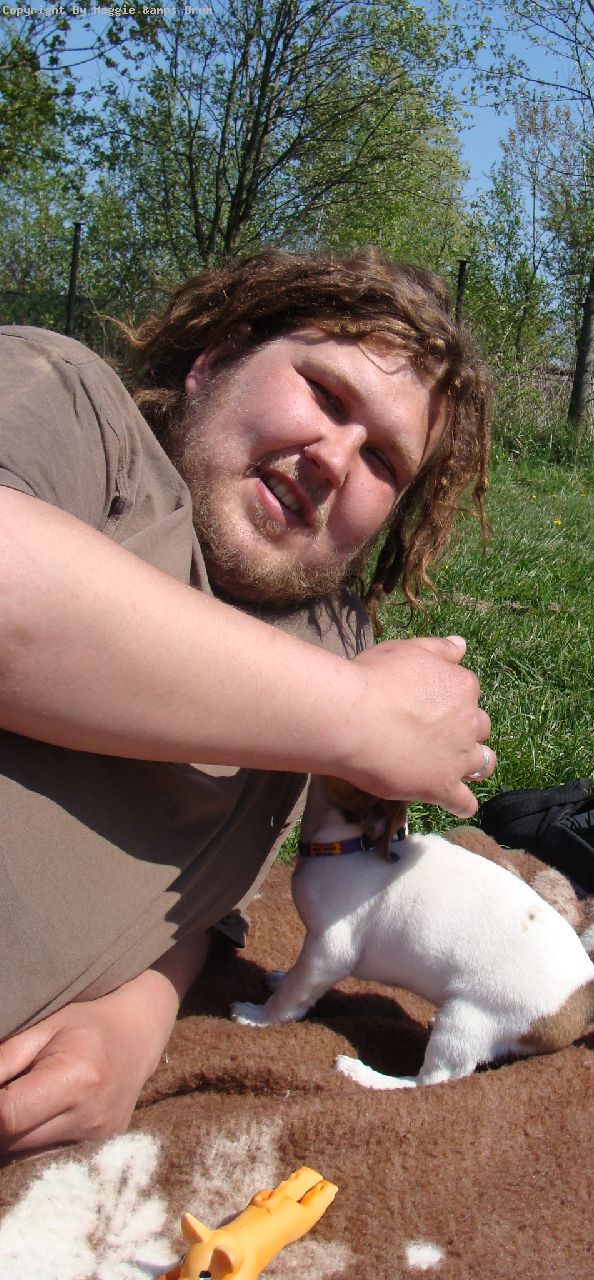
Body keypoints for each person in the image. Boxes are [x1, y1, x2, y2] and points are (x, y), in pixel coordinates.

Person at [0, 247, 496, 1160]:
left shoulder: (326, 643)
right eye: (326, 395)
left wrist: (134, 1020)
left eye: (382, 460)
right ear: (214, 358)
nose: (334, 459)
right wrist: (358, 715)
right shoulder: (72, 408)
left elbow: (208, 903)